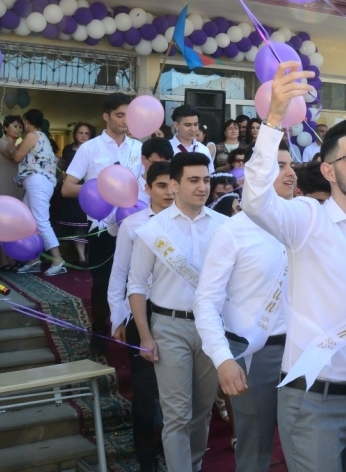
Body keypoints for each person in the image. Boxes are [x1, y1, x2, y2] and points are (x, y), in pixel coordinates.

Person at [241, 62, 346, 472]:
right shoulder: (305, 219)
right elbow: (256, 200)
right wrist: (274, 119)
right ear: (329, 170)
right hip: (312, 399)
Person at [196, 141, 296, 472]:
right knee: (254, 450)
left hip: (305, 349)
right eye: (279, 165)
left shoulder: (308, 221)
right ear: (257, 174)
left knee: (307, 445)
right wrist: (223, 359)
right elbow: (206, 301)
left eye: (291, 164)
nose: (290, 172)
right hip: (254, 352)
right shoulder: (232, 232)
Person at [127, 152, 225, 472]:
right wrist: (145, 335)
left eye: (206, 180)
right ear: (174, 184)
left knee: (201, 412)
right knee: (177, 415)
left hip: (212, 329)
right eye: (194, 180)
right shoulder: (154, 230)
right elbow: (137, 285)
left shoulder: (225, 228)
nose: (202, 187)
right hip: (169, 327)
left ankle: (193, 465)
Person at [63, 92, 142, 355]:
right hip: (100, 227)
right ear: (106, 116)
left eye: (129, 116)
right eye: (120, 115)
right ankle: (99, 333)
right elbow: (67, 187)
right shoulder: (90, 148)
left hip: (134, 225)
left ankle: (134, 332)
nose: (125, 121)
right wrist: (101, 190)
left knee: (137, 281)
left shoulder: (138, 149)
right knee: (102, 282)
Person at [107, 161, 173, 472]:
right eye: (160, 185)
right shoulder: (133, 225)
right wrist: (119, 318)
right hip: (141, 310)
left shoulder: (193, 221)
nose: (168, 191)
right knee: (146, 392)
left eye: (172, 184)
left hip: (178, 309)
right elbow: (119, 274)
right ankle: (146, 456)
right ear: (147, 189)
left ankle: (174, 448)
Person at [8, 109, 65, 276]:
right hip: (36, 181)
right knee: (28, 221)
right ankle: (34, 259)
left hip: (38, 181)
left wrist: (12, 148)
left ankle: (57, 259)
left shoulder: (33, 135)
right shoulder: (42, 137)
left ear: (26, 121)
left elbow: (18, 157)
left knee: (40, 220)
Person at [0, 115, 24, 271]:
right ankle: (2, 260)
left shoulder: (18, 145)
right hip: (1, 187)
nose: (18, 129)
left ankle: (10, 257)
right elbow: (14, 156)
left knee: (12, 225)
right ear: (5, 128)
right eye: (15, 126)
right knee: (0, 225)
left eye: (21, 127)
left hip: (15, 188)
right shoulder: (1, 143)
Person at [57, 123, 96, 266]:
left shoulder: (93, 148)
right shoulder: (68, 149)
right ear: (75, 134)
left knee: (88, 225)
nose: (84, 135)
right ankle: (81, 258)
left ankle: (89, 256)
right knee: (75, 225)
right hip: (71, 188)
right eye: (81, 132)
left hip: (88, 190)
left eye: (87, 133)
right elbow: (62, 165)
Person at [169, 105, 215, 173]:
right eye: (188, 125)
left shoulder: (203, 150)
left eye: (196, 125)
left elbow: (210, 176)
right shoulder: (167, 148)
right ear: (176, 125)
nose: (193, 129)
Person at [137, 138, 174, 205]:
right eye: (155, 163)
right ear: (143, 159)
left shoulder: (176, 188)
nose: (160, 168)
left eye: (165, 163)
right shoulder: (130, 189)